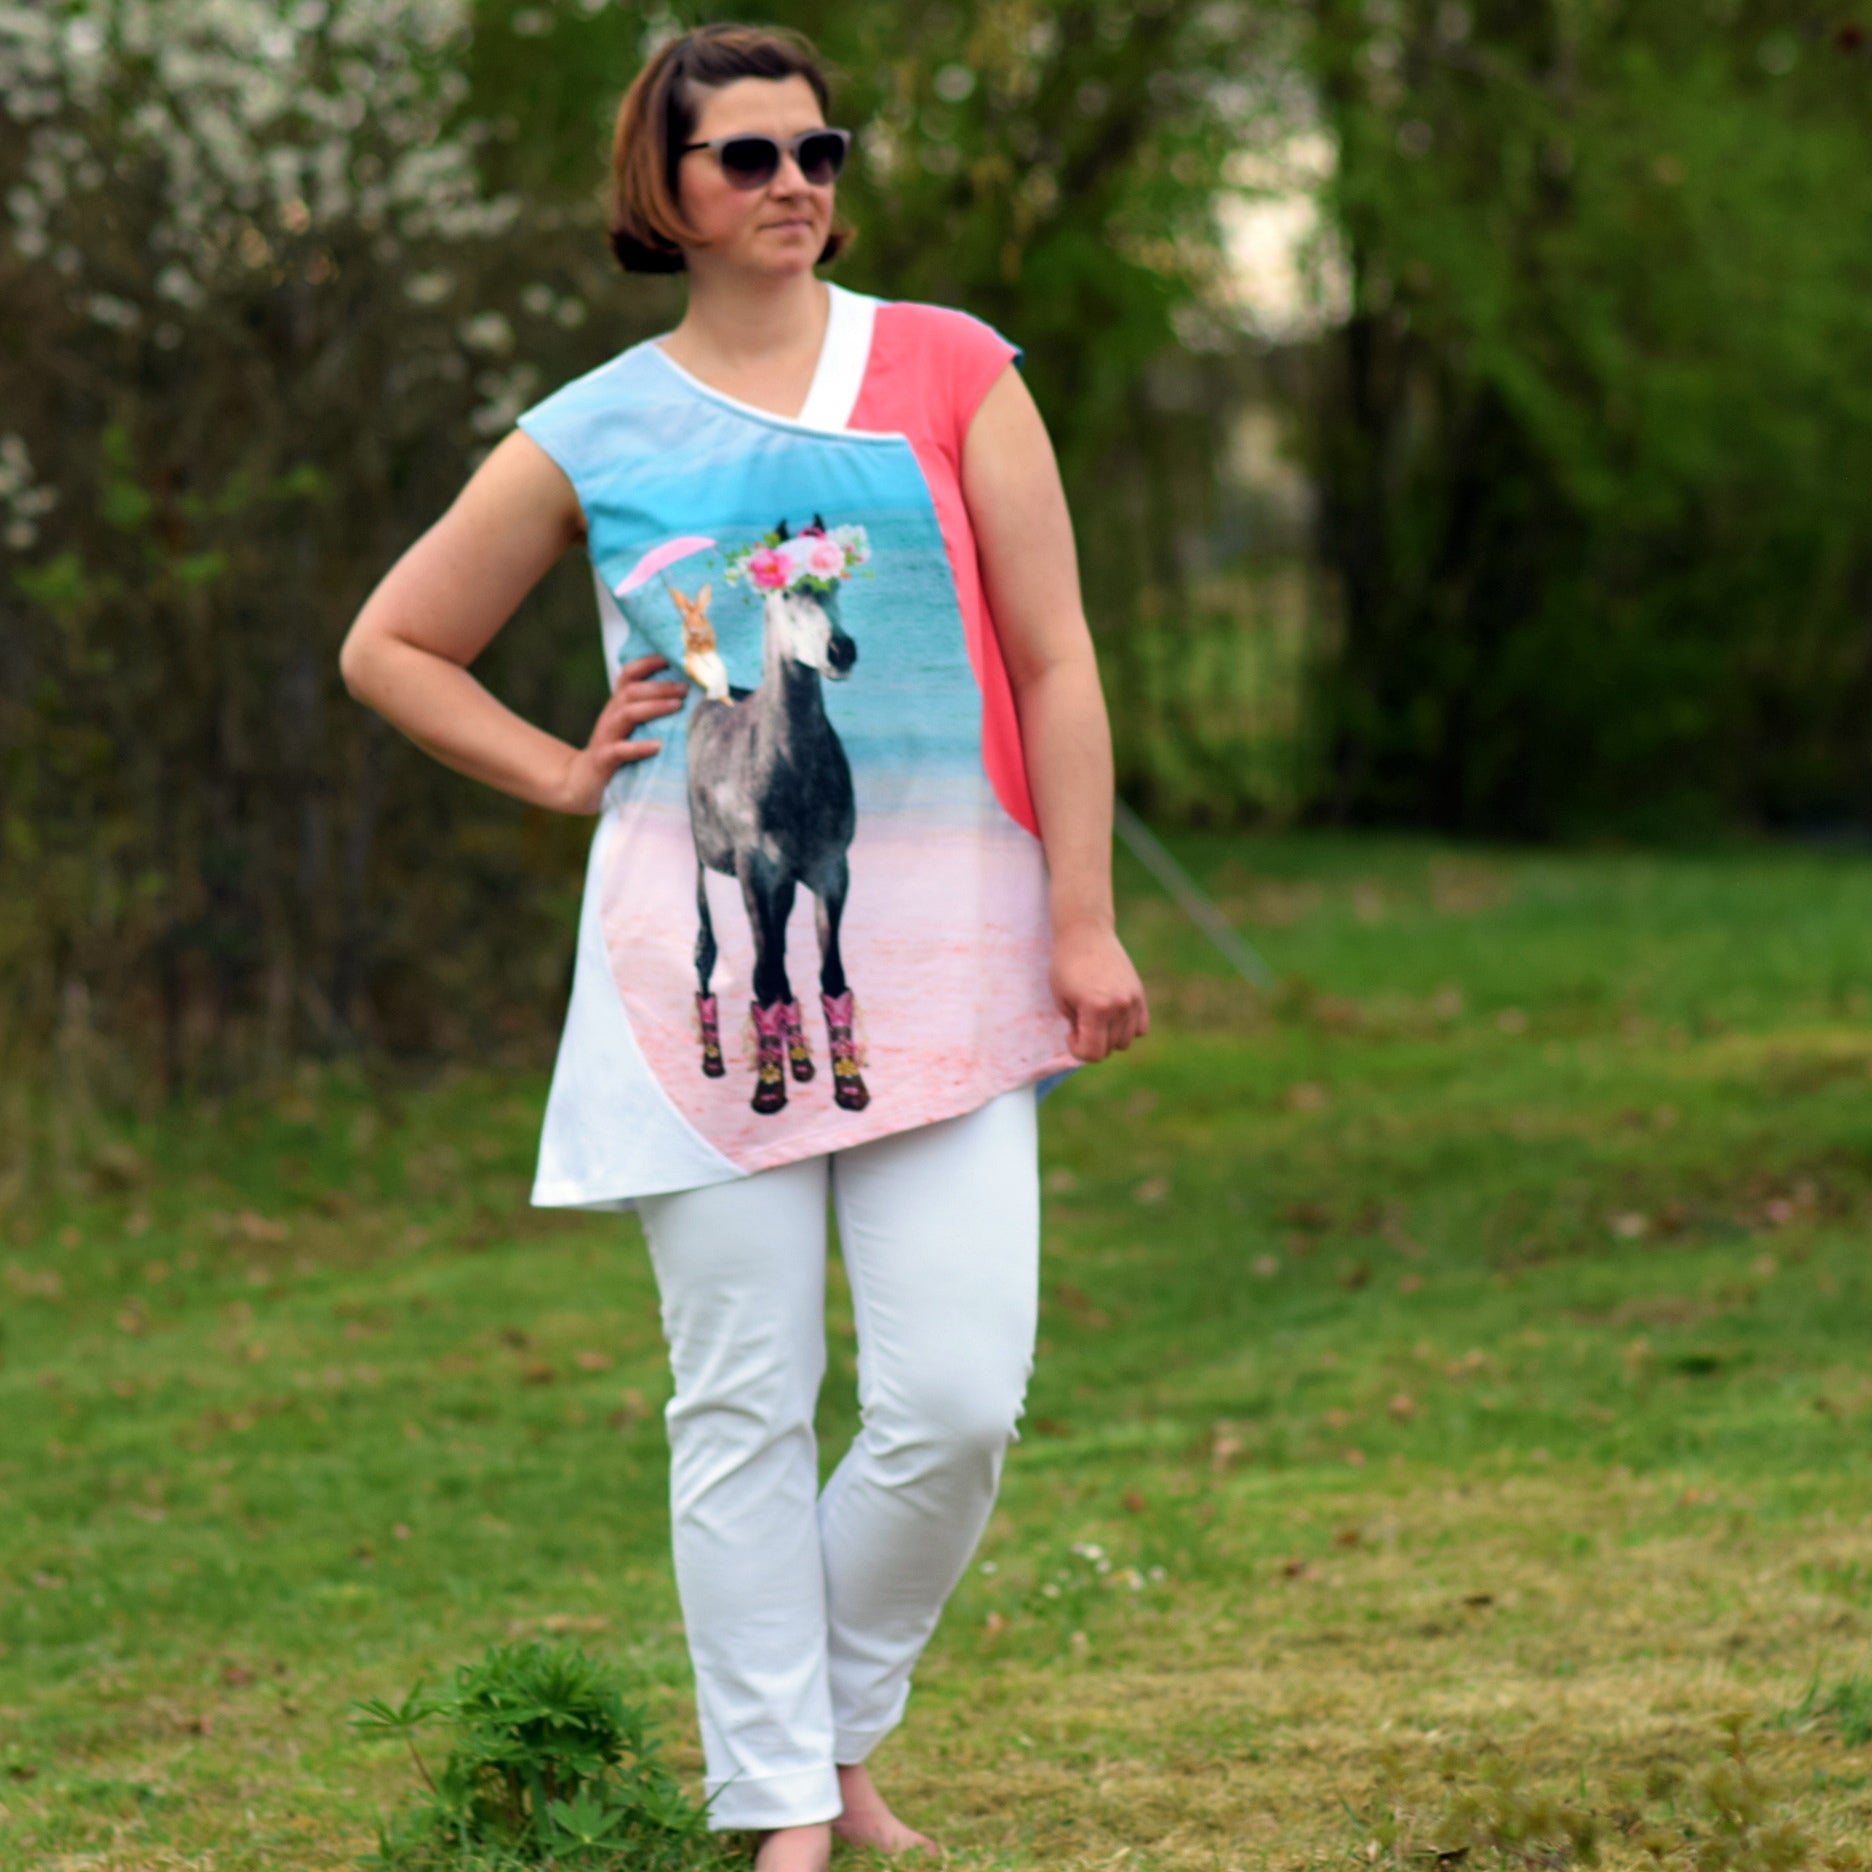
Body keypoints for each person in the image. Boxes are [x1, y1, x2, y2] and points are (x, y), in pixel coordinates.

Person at [339, 22, 1147, 1869]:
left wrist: (1084, 921)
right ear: (666, 191)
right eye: (750, 156)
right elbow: (392, 643)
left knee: (955, 1403)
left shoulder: (952, 367)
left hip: (951, 951)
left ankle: (830, 1725)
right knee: (742, 1404)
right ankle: (783, 1804)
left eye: (819, 149)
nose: (797, 181)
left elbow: (1056, 658)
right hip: (684, 978)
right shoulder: (594, 426)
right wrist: (561, 772)